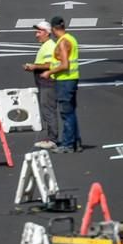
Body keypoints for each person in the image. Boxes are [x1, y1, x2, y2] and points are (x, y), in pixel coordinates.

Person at [46, 16, 80, 152]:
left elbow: (65, 64)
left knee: (66, 113)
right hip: (72, 78)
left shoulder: (62, 42)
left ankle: (67, 144)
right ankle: (75, 142)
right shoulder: (71, 39)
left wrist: (49, 72)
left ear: (54, 29)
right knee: (71, 112)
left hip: (65, 80)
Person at [24, 20, 59, 150]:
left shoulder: (49, 46)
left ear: (46, 33)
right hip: (44, 82)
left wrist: (33, 66)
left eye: (38, 32)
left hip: (48, 82)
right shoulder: (46, 45)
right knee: (46, 111)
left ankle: (52, 139)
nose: (36, 35)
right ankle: (50, 138)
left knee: (48, 111)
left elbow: (50, 64)